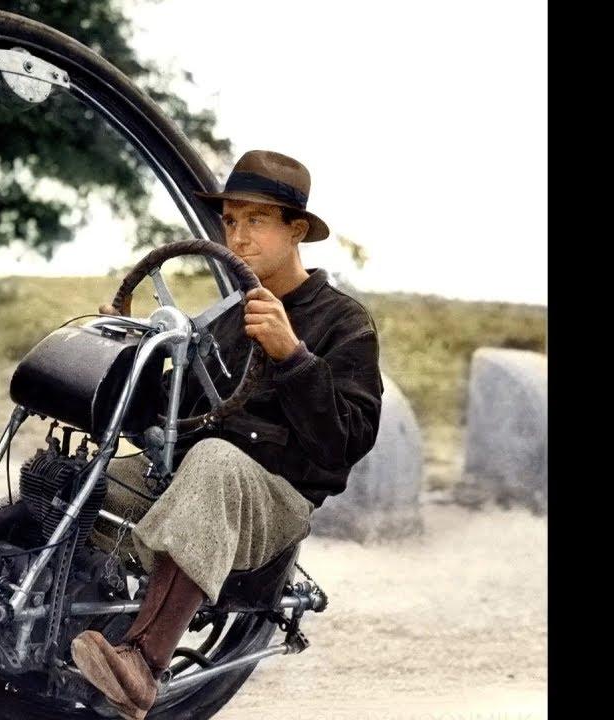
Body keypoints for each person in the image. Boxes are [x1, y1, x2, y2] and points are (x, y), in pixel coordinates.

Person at [70, 150, 385, 719]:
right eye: (231, 220)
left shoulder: (344, 321)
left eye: (256, 220)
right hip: (193, 478)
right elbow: (174, 418)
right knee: (78, 482)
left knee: (215, 460)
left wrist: (293, 357)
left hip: (275, 499)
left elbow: (345, 444)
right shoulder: (225, 318)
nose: (237, 237)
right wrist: (134, 350)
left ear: (296, 231)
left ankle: (142, 664)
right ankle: (8, 611)